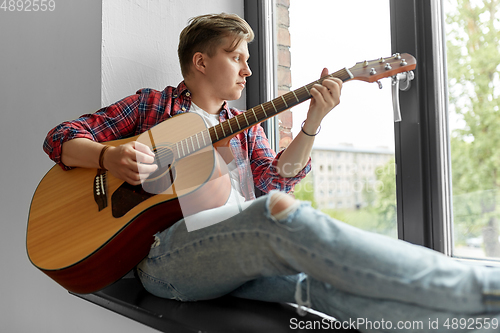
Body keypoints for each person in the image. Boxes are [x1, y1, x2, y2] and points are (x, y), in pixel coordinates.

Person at [43, 13, 500, 332]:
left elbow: (276, 179)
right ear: (201, 62)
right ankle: (482, 287)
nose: (248, 68)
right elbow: (61, 136)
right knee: (281, 216)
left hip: (230, 248)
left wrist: (312, 123)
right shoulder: (154, 106)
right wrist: (108, 157)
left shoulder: (243, 128)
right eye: (237, 56)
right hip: (166, 260)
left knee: (316, 288)